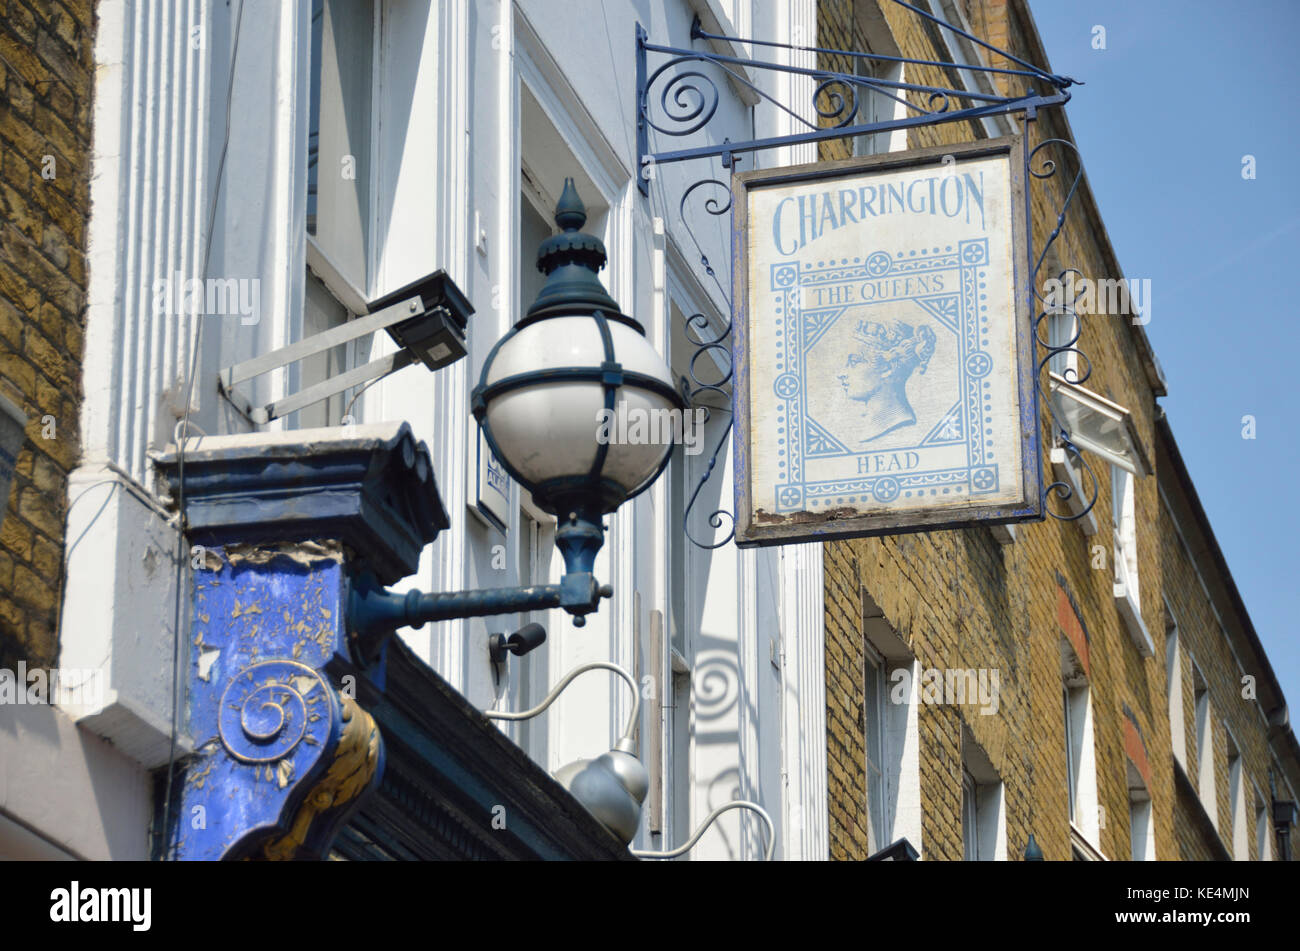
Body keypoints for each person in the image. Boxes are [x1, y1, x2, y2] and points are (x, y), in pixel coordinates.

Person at [838, 318, 936, 442]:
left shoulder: (895, 426)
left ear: (887, 368)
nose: (841, 374)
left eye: (854, 362)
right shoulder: (867, 426)